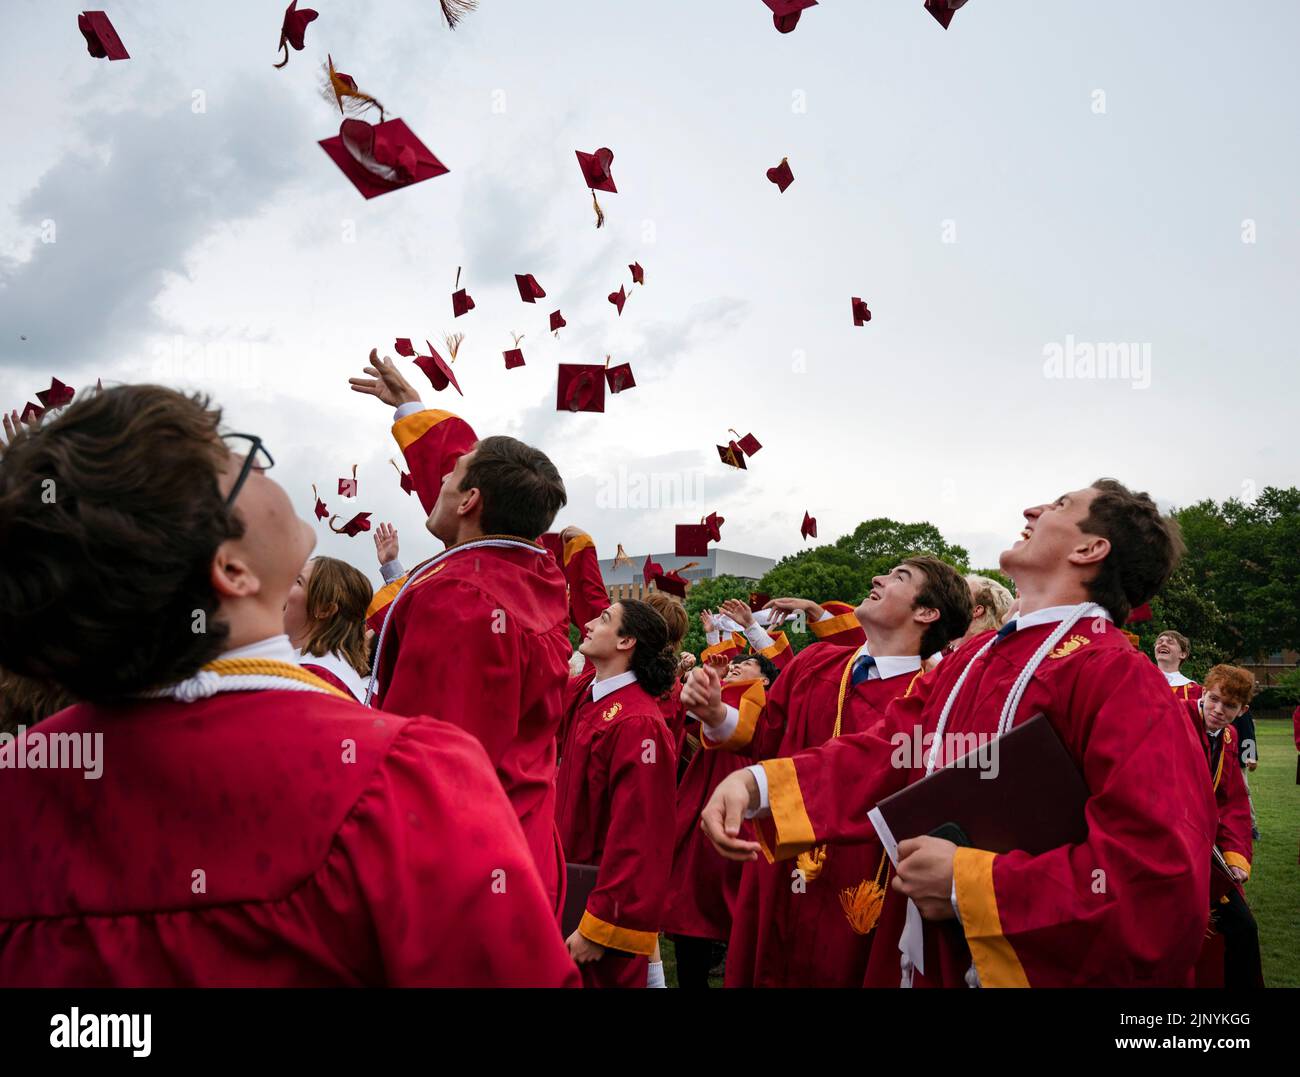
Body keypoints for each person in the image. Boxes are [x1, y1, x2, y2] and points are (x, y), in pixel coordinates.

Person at [0, 384, 578, 986]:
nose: (264, 465)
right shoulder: (402, 776)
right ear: (232, 569)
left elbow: (501, 505)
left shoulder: (20, 783)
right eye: (239, 459)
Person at [702, 480, 1216, 987]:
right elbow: (890, 749)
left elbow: (1156, 875)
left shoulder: (1118, 676)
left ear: (1089, 549)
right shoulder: (973, 657)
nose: (1031, 508)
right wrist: (760, 786)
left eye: (1059, 504)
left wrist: (971, 884)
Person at [351, 351, 571, 911]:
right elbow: (481, 485)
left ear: (470, 501)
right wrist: (410, 408)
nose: (440, 478)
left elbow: (429, 770)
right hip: (518, 851)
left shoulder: (461, 602)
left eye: (450, 476)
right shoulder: (533, 571)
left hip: (461, 879)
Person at [689, 558, 972, 987]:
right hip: (781, 870)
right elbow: (766, 737)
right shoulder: (816, 663)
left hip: (862, 882)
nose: (877, 578)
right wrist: (716, 713)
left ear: (927, 613)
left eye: (900, 577)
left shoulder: (935, 702)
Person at [555, 600, 677, 988]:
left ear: (626, 641)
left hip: (595, 911)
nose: (589, 623)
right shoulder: (587, 695)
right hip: (564, 883)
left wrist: (603, 925)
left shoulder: (639, 723)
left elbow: (640, 839)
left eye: (604, 618)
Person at [1186, 665, 1262, 989]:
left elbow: (1232, 802)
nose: (1218, 710)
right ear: (1202, 692)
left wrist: (1236, 857)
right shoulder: (1173, 719)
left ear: (1242, 710)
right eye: (1213, 699)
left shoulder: (1229, 736)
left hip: (1207, 852)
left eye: (1229, 706)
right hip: (1167, 850)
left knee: (1241, 929)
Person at [283, 556, 373, 700]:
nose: (283, 585)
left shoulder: (315, 680)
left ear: (325, 609)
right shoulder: (322, 673)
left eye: (298, 581)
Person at [1155, 629, 1202, 700]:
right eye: (1159, 642)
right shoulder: (1140, 682)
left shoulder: (1195, 691)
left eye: (1170, 642)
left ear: (1183, 654)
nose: (1163, 644)